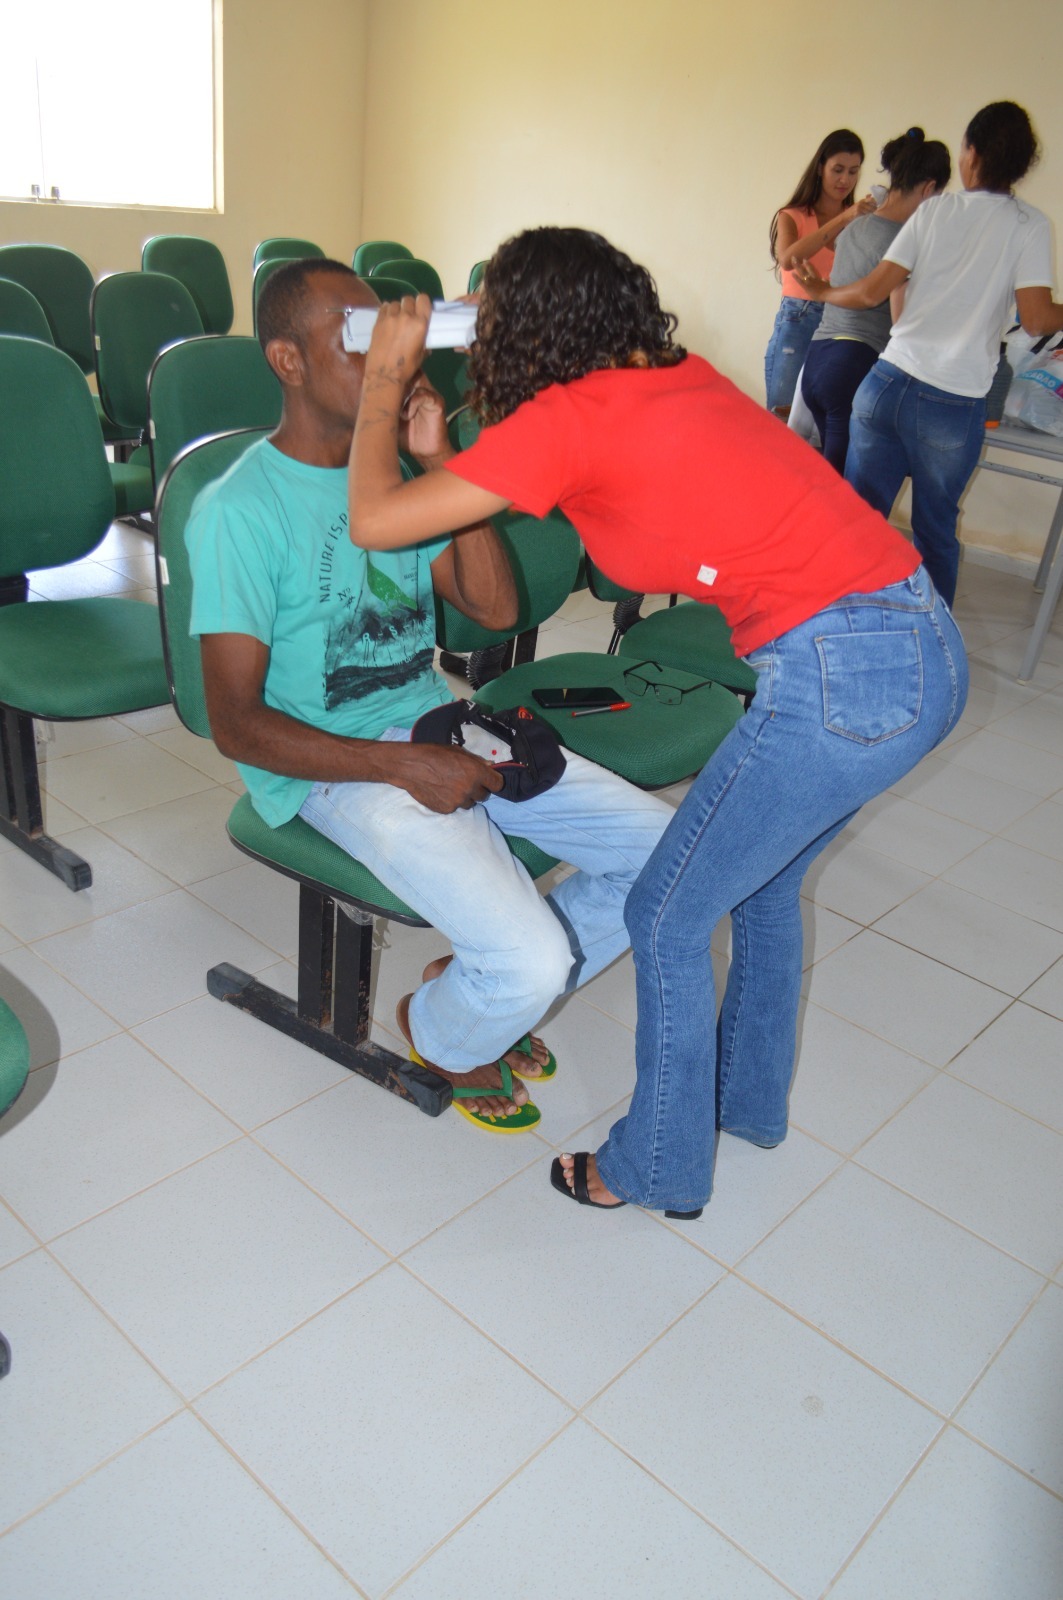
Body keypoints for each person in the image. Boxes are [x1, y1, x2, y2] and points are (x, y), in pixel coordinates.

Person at [345, 226, 969, 1218]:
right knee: (760, 888)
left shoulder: (568, 422)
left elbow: (375, 518)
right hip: (916, 646)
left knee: (667, 912)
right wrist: (453, 445)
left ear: (530, 333)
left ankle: (655, 1166)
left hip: (841, 674)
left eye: (493, 314)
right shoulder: (672, 373)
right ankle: (746, 1108)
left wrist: (384, 383)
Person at [184, 257, 673, 1132]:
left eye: (390, 339)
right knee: (528, 961)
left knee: (667, 858)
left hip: (434, 722)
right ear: (287, 360)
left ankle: (475, 988)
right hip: (332, 765)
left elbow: (491, 608)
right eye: (358, 339)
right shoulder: (238, 509)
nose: (390, 362)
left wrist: (444, 465)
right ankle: (449, 1032)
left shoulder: (397, 483)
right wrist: (402, 765)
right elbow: (236, 725)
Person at [797, 101, 1063, 606]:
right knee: (935, 534)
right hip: (951, 401)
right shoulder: (1030, 225)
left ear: (971, 154)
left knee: (859, 520)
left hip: (886, 384)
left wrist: (823, 292)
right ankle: (931, 650)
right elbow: (1036, 318)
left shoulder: (936, 210)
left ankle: (838, 622)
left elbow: (871, 290)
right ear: (1023, 166)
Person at [800, 128, 950, 472]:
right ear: (929, 189)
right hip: (852, 362)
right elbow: (889, 309)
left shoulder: (856, 226)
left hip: (819, 360)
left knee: (832, 478)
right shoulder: (905, 241)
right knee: (845, 492)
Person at [765, 128, 869, 416]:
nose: (845, 180)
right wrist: (845, 216)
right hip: (798, 318)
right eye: (837, 170)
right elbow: (789, 259)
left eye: (853, 171)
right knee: (781, 419)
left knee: (826, 423)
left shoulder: (861, 222)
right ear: (820, 168)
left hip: (842, 324)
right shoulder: (792, 215)